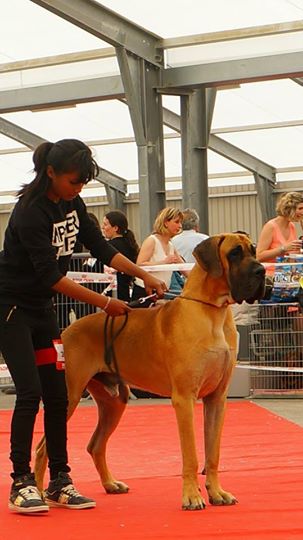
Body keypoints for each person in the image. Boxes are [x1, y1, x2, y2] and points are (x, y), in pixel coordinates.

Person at [0, 138, 166, 514]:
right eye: (74, 180)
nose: (79, 188)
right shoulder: (29, 213)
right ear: (51, 172)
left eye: (84, 183)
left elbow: (102, 249)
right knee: (28, 393)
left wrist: (144, 276)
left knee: (58, 397)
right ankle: (22, 481)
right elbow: (50, 276)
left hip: (42, 312)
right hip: (11, 311)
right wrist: (106, 303)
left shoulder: (73, 205)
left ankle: (60, 479)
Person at [132, 207, 184, 303]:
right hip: (144, 292)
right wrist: (164, 262)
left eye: (180, 223)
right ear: (165, 223)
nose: (180, 226)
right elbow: (139, 265)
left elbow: (185, 269)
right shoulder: (151, 240)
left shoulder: (171, 246)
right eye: (177, 222)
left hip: (161, 293)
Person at [256, 192, 303, 274]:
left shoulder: (291, 226)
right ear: (289, 208)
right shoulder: (270, 226)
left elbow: (292, 253)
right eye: (300, 209)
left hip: (288, 276)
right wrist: (283, 249)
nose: (302, 212)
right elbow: (259, 256)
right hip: (271, 276)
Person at [101, 210, 140, 302]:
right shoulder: (130, 245)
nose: (102, 227)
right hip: (124, 291)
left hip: (110, 294)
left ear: (115, 228)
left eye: (105, 224)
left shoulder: (108, 246)